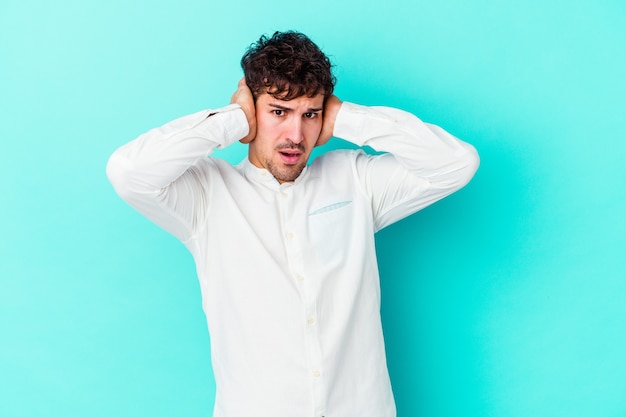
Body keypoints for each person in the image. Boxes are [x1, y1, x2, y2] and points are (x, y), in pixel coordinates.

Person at [107, 30, 479, 417]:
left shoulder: (355, 180)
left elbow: (456, 164)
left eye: (310, 114)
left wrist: (348, 118)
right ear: (253, 110)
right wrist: (232, 120)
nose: (295, 135)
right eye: (278, 111)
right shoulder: (207, 196)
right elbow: (128, 171)